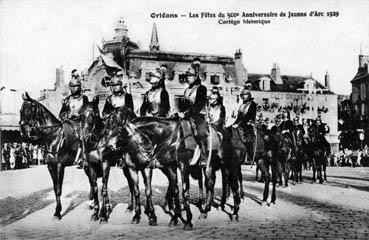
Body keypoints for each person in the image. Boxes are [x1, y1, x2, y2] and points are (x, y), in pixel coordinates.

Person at [178, 59, 208, 166]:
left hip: (198, 116)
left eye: (190, 76)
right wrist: (179, 112)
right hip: (186, 116)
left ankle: (204, 156)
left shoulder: (201, 88)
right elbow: (183, 105)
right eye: (187, 76)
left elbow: (198, 105)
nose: (187, 78)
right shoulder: (186, 90)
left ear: (195, 77)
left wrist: (186, 113)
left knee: (201, 132)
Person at [59, 69, 89, 167]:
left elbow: (86, 109)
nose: (74, 88)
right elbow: (61, 113)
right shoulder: (67, 100)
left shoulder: (84, 98)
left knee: (83, 137)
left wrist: (79, 115)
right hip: (69, 123)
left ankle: (83, 157)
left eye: (76, 86)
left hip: (80, 122)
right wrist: (66, 115)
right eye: (72, 86)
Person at [232, 87, 257, 163]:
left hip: (248, 123)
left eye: (245, 95)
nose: (243, 96)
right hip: (240, 123)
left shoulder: (252, 104)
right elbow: (239, 117)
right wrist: (233, 124)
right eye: (242, 95)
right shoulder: (242, 105)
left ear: (248, 95)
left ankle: (250, 154)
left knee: (247, 139)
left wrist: (239, 124)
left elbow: (249, 116)